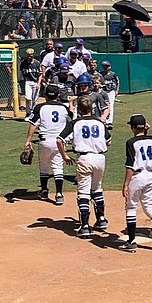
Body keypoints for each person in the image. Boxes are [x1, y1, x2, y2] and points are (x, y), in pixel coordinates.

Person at [119, 114, 152, 252]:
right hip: (150, 177)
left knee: (131, 208)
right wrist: (146, 129)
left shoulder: (131, 142)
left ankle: (131, 242)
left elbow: (130, 165)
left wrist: (125, 184)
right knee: (149, 208)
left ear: (132, 127)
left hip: (137, 177)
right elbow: (144, 138)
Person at [60, 96, 111, 238]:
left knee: (83, 192)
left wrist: (65, 156)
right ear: (92, 108)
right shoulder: (100, 123)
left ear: (79, 109)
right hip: (100, 158)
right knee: (97, 188)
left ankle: (85, 226)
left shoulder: (75, 123)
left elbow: (60, 139)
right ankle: (101, 220)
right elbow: (109, 141)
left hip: (84, 158)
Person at [24, 84, 72, 204]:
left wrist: (28, 140)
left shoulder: (40, 107)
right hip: (59, 142)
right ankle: (59, 194)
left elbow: (33, 124)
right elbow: (71, 120)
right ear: (58, 95)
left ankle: (44, 191)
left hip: (44, 141)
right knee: (58, 167)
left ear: (45, 95)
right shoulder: (63, 107)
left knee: (44, 166)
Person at [20, 47, 42, 113]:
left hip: (35, 82)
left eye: (31, 55)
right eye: (28, 55)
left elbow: (40, 74)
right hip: (28, 81)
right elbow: (22, 73)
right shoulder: (23, 63)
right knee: (28, 98)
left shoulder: (37, 63)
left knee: (35, 99)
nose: (30, 57)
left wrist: (38, 83)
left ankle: (34, 113)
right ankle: (28, 112)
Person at [99, 60, 119, 125]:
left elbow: (118, 82)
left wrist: (116, 91)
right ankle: (103, 119)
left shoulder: (113, 74)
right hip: (103, 92)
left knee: (110, 106)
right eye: (104, 66)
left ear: (109, 67)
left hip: (111, 91)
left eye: (106, 66)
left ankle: (109, 121)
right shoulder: (100, 74)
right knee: (102, 106)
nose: (105, 67)